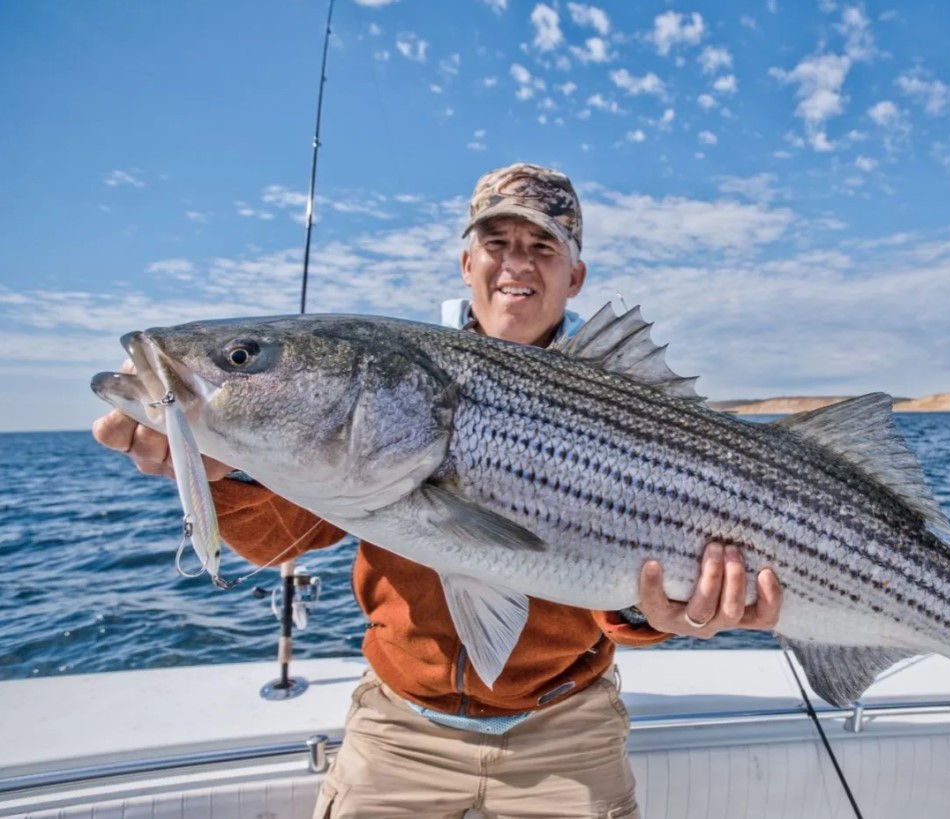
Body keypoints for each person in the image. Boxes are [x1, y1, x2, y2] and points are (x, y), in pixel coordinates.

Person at [92, 163, 784, 819]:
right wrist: (225, 469)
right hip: (400, 723)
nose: (516, 263)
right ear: (466, 264)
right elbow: (281, 541)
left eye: (543, 245)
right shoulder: (400, 377)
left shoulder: (622, 396)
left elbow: (615, 595)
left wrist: (668, 614)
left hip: (568, 725)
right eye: (496, 241)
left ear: (575, 275)